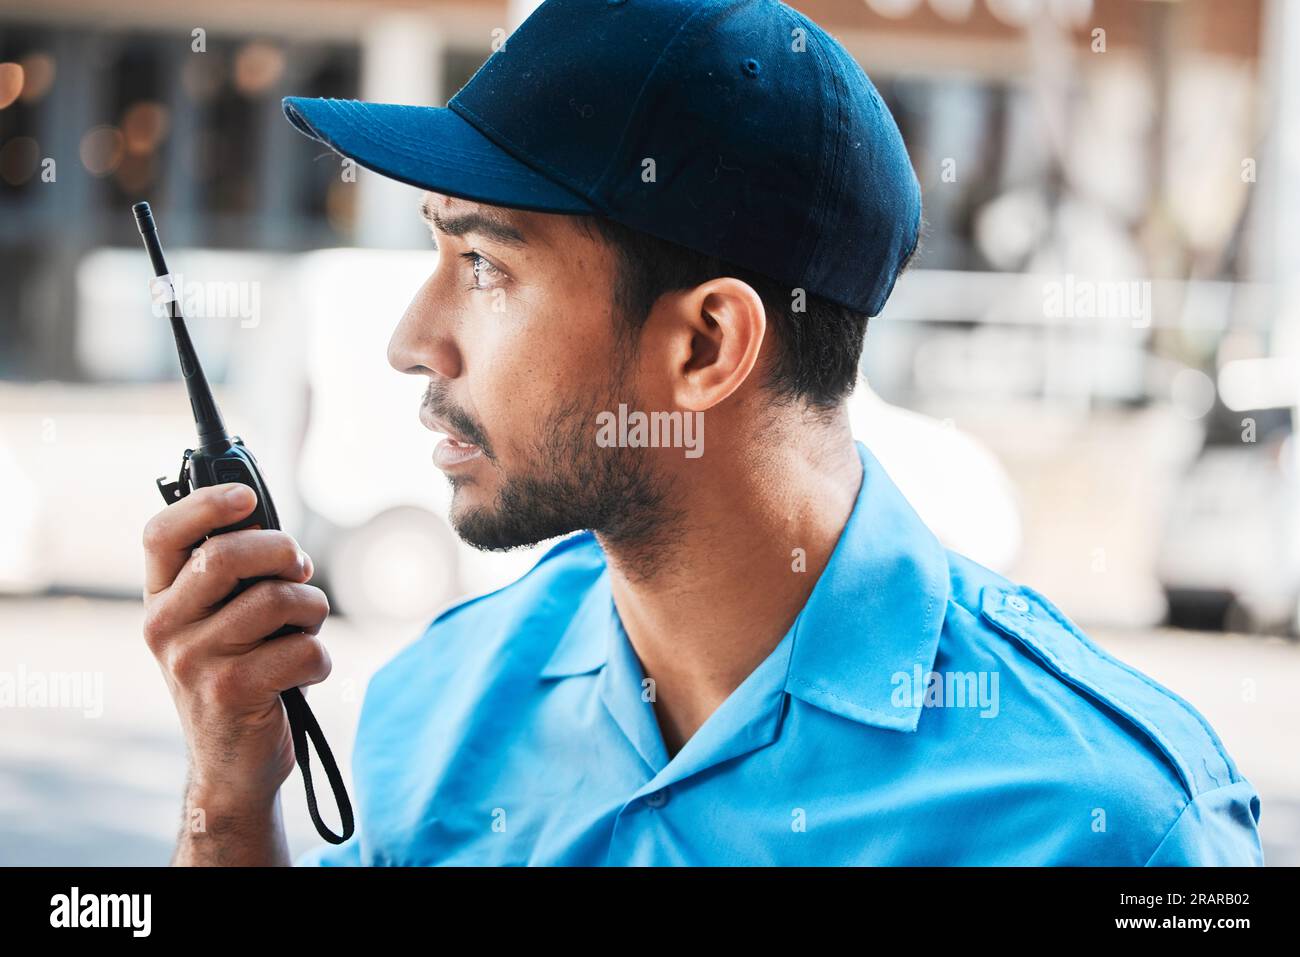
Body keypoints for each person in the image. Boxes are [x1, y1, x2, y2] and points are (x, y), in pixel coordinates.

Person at [141, 0, 1263, 865]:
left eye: (485, 266)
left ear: (706, 346)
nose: (411, 339)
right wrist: (229, 806)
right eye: (435, 253)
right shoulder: (435, 708)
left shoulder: (1106, 818)